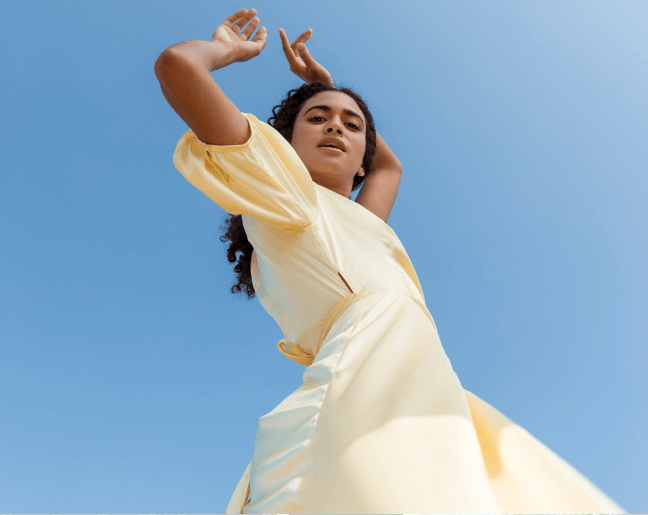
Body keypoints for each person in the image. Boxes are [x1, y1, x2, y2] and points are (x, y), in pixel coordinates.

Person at [154, 8, 627, 514]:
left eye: (351, 124)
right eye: (316, 118)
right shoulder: (288, 195)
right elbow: (179, 66)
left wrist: (323, 86)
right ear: (286, 145)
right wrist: (224, 50)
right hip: (361, 378)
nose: (335, 126)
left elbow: (390, 167)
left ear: (363, 162)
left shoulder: (360, 221)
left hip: (414, 376)